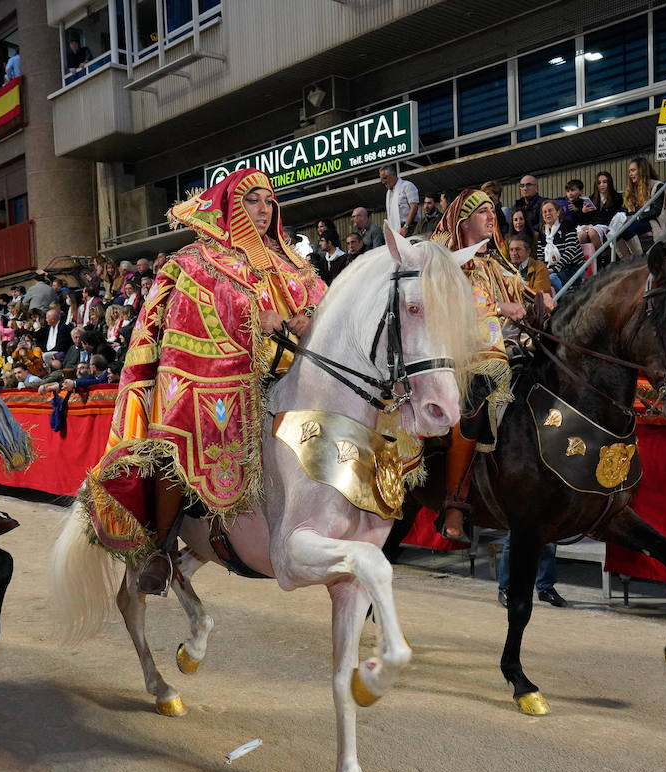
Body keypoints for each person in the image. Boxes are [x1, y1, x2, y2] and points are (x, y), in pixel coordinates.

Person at [83, 168, 326, 595]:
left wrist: (308, 321)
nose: (264, 210)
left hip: (293, 376)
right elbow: (186, 327)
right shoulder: (196, 261)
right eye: (253, 200)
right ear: (231, 205)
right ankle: (158, 548)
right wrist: (257, 323)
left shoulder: (296, 265)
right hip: (216, 378)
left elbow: (329, 309)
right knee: (177, 431)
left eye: (269, 201)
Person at [431, 189, 538, 541]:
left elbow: (522, 292)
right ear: (465, 221)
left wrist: (542, 299)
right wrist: (497, 308)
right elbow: (442, 306)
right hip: (460, 355)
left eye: (494, 212)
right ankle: (455, 503)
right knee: (473, 406)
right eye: (483, 213)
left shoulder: (496, 263)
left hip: (501, 352)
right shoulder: (448, 262)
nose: (492, 218)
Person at [612, 157, 666, 260]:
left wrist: (636, 217)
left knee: (627, 229)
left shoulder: (657, 186)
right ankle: (627, 260)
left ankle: (639, 260)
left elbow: (656, 211)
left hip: (652, 221)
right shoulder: (631, 189)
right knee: (614, 233)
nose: (630, 174)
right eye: (629, 171)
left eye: (633, 170)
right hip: (635, 220)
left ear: (642, 170)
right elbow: (625, 210)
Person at [536, 199, 583, 290]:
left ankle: (564, 301)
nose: (547, 214)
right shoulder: (542, 231)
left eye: (550, 210)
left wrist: (554, 269)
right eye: (544, 212)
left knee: (551, 278)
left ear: (557, 212)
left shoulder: (567, 226)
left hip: (572, 268)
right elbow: (540, 256)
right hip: (552, 269)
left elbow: (570, 251)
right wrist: (543, 269)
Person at [380, 164, 420, 235]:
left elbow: (414, 207)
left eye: (385, 178)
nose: (383, 182)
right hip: (396, 229)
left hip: (410, 227)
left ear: (393, 175)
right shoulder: (388, 193)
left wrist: (406, 227)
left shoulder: (407, 186)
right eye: (382, 179)